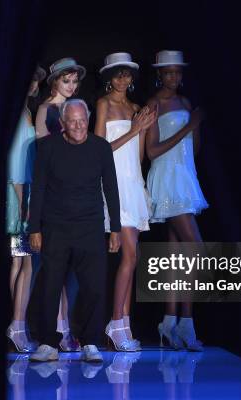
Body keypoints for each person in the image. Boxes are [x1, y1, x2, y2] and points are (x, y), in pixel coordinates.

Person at [27, 99, 121, 362]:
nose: (79, 126)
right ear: (62, 124)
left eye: (83, 120)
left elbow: (111, 188)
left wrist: (115, 228)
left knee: (94, 287)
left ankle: (91, 342)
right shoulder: (47, 148)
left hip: (90, 227)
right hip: (56, 227)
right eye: (73, 121)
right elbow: (40, 190)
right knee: (50, 285)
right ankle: (47, 343)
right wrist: (35, 228)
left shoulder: (100, 148)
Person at [94, 52, 157, 351]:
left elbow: (141, 155)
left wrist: (143, 128)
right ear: (109, 77)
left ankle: (123, 325)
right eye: (118, 74)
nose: (123, 79)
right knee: (129, 258)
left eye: (127, 74)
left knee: (133, 259)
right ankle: (114, 321)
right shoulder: (103, 104)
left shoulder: (136, 108)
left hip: (133, 183)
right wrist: (134, 129)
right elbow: (97, 151)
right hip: (112, 184)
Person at [145, 50, 208, 351]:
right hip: (167, 179)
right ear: (159, 74)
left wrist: (195, 128)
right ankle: (186, 324)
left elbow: (192, 150)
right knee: (196, 249)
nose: (173, 77)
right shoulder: (154, 104)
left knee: (178, 257)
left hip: (185, 178)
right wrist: (187, 126)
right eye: (168, 72)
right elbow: (153, 152)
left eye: (177, 72)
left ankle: (170, 322)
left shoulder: (184, 103)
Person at [34, 57, 87, 351]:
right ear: (54, 82)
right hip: (55, 194)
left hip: (76, 195)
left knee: (72, 269)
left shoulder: (75, 110)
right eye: (66, 81)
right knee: (53, 267)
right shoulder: (46, 109)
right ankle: (57, 331)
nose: (71, 86)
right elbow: (44, 151)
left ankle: (65, 328)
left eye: (74, 81)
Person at [5, 66, 46, 352]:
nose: (34, 83)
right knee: (25, 261)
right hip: (20, 198)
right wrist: (22, 203)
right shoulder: (18, 117)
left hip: (22, 195)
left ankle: (17, 323)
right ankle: (17, 325)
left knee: (20, 261)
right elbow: (15, 163)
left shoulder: (26, 113)